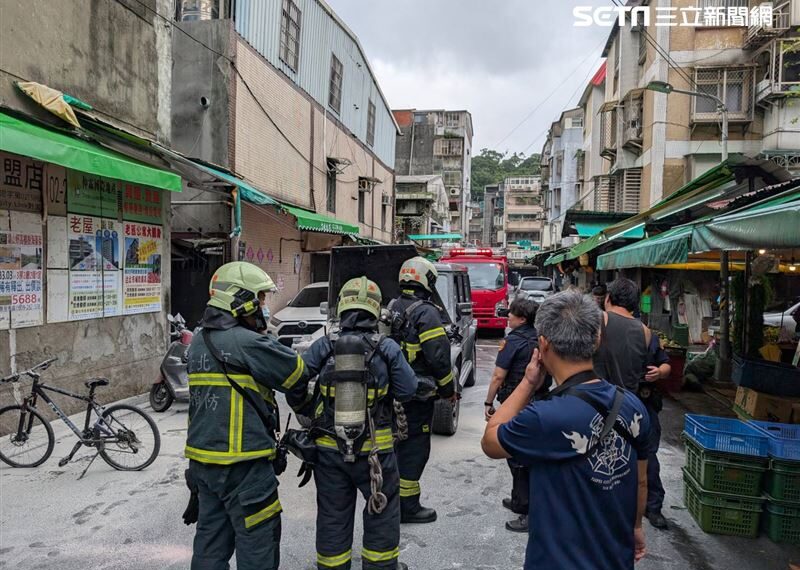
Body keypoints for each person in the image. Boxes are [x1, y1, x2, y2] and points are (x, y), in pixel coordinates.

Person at [482, 292, 650, 570]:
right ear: (596, 340)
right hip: (616, 559)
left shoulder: (544, 417)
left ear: (543, 344)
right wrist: (636, 527)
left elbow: (490, 441)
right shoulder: (632, 405)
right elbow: (641, 481)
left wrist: (527, 383)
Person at [185, 262, 312, 570]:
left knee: (210, 547)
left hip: (203, 464)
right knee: (258, 547)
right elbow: (297, 373)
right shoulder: (247, 342)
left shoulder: (201, 341)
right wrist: (266, 336)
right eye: (261, 298)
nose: (264, 306)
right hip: (244, 468)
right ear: (241, 300)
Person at [302, 277, 417, 570]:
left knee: (332, 516)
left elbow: (295, 381)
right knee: (382, 514)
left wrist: (306, 409)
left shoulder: (324, 344)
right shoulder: (387, 347)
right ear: (376, 311)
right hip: (376, 453)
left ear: (342, 307)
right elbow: (408, 390)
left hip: (329, 451)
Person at [594, 277, 671, 530]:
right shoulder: (646, 332)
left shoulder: (597, 323)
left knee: (597, 458)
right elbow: (667, 365)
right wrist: (661, 372)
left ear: (608, 298)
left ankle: (602, 508)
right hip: (636, 407)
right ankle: (651, 508)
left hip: (598, 405)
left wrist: (658, 372)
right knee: (645, 458)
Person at [389, 256, 455, 524]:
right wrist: (447, 388)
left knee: (396, 445)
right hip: (417, 394)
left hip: (392, 391)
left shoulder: (392, 306)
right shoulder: (426, 312)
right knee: (415, 448)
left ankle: (392, 501)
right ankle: (408, 507)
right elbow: (438, 357)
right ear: (427, 280)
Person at [483, 298, 540, 533]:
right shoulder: (540, 339)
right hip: (537, 401)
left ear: (522, 318)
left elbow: (498, 375)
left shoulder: (513, 341)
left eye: (512, 314)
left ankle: (528, 510)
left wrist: (488, 402)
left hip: (515, 401)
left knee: (517, 456)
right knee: (523, 453)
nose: (508, 317)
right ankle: (519, 499)